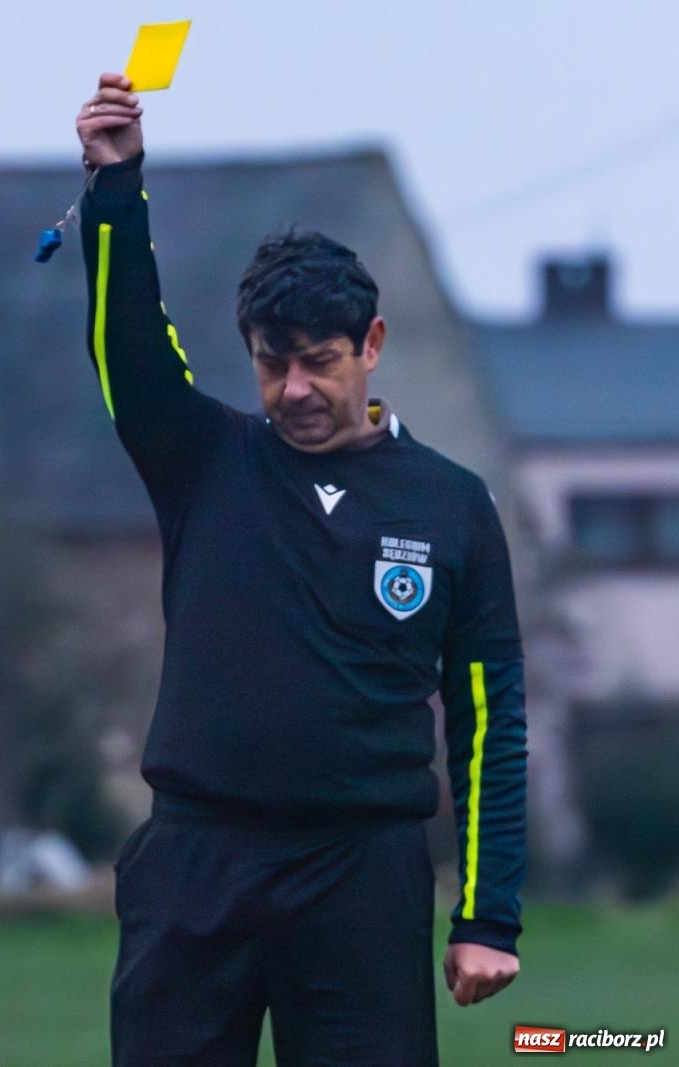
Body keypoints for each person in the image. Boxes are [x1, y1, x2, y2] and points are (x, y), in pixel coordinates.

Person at [73, 75, 527, 1065]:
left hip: (359, 875)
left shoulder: (450, 503)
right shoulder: (202, 459)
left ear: (370, 345)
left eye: (318, 360)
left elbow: (490, 716)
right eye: (272, 362)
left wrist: (488, 911)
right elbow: (131, 349)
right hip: (195, 861)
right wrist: (116, 185)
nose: (295, 388)